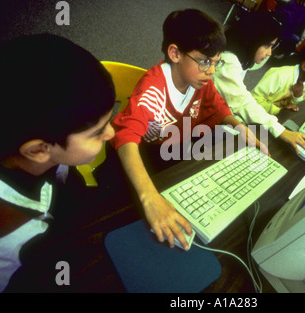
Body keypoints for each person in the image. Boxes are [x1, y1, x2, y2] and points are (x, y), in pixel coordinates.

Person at [111, 9, 265, 251]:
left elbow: (218, 107)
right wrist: (149, 197)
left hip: (172, 148)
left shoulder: (200, 80)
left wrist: (238, 125)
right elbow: (125, 136)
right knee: (135, 225)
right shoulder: (152, 92)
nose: (212, 71)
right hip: (140, 154)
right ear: (175, 53)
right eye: (205, 61)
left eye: (216, 62)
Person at [0, 34, 116, 292]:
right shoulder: (12, 242)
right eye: (97, 132)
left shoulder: (27, 139)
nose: (111, 134)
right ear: (38, 150)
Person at [212, 12, 305, 156]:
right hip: (203, 123)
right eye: (267, 45)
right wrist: (279, 129)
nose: (270, 53)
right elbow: (242, 102)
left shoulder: (238, 57)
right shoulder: (228, 63)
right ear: (251, 39)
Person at [251, 42, 305, 114]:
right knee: (261, 134)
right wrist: (279, 111)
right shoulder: (279, 75)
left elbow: (296, 109)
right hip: (254, 115)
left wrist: (297, 97)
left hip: (273, 120)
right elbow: (253, 100)